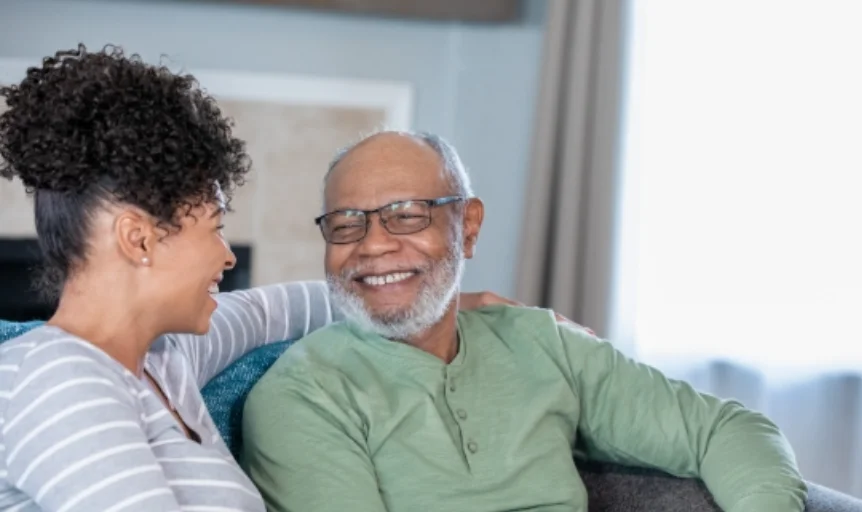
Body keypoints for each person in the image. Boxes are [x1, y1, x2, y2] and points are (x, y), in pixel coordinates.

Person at [0, 45, 515, 511]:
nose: (226, 257)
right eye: (216, 228)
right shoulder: (60, 379)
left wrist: (429, 297)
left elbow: (285, 308)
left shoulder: (164, 361)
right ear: (139, 239)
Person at [241, 131, 809, 512]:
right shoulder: (302, 396)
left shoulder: (544, 344)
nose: (374, 245)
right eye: (346, 224)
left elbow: (726, 430)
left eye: (406, 216)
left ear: (468, 227)